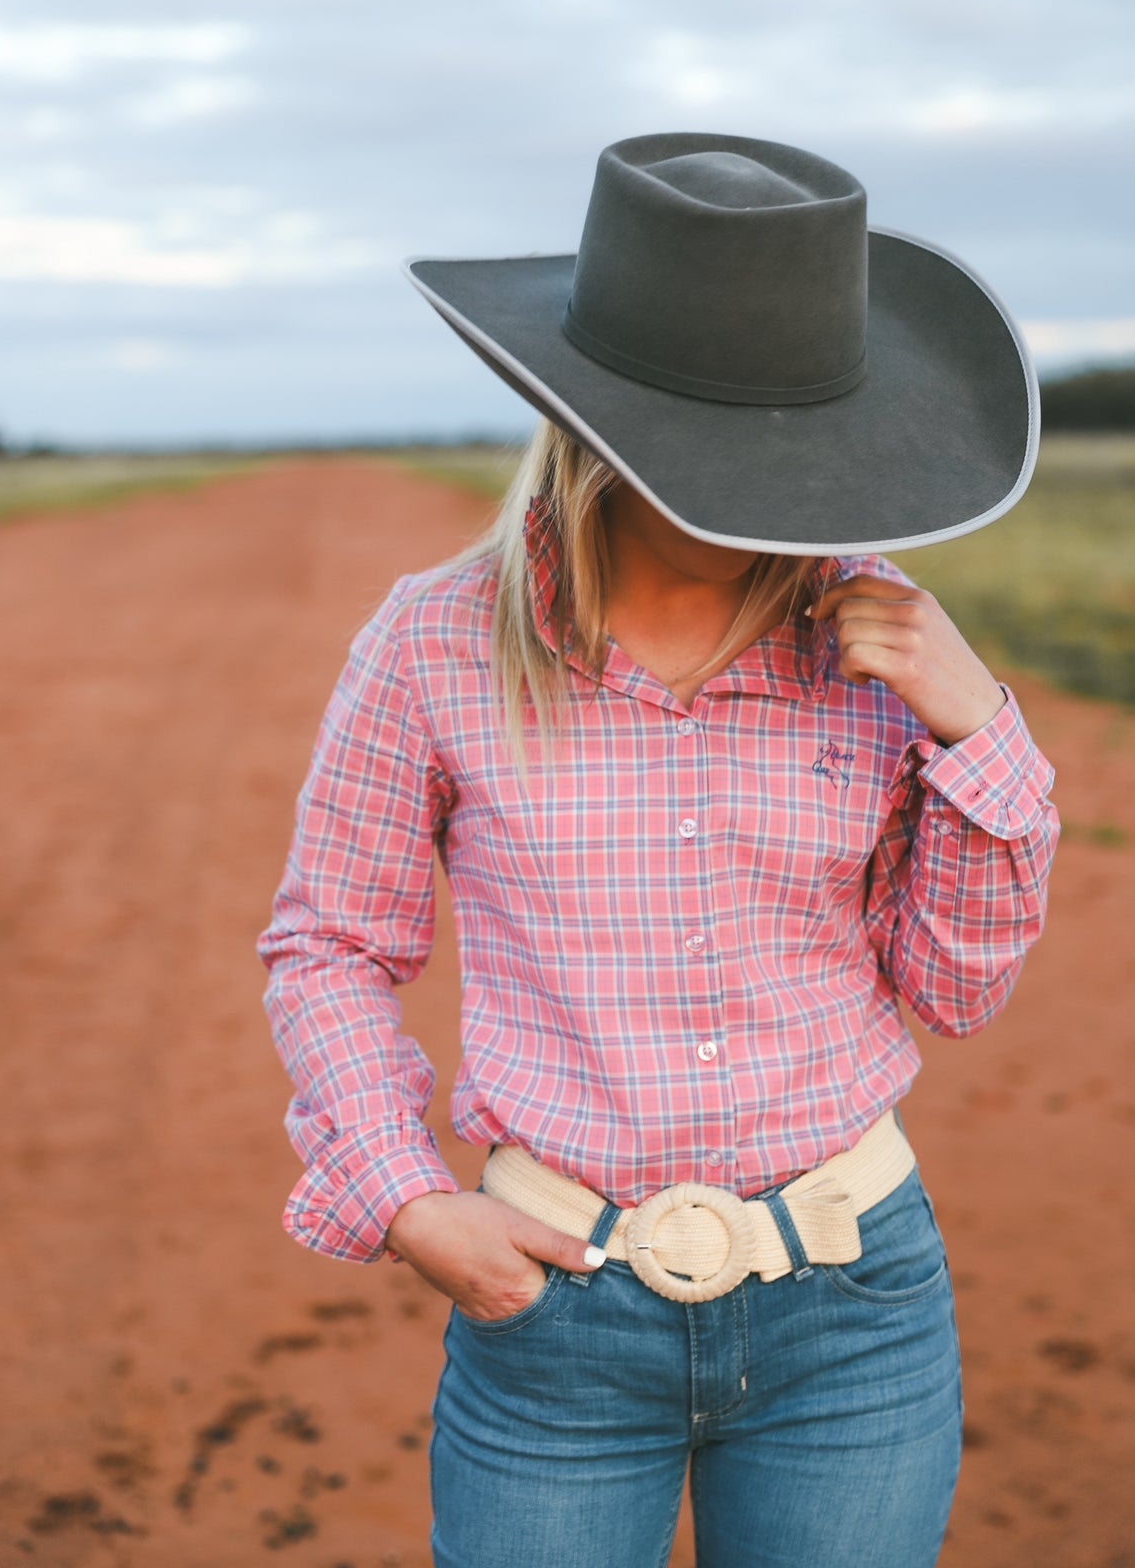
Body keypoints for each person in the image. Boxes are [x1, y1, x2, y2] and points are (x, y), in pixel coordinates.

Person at [259, 133, 1059, 1568]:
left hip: (855, 1311)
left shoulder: (889, 654)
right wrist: (403, 1193)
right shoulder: (433, 645)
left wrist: (978, 733)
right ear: (601, 426)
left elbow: (954, 988)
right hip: (552, 1324)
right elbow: (331, 943)